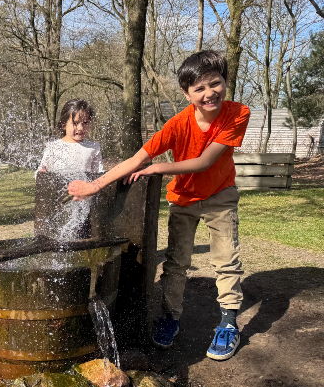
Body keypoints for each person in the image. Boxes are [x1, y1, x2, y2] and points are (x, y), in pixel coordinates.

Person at [67, 50, 250, 361]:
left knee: (225, 260)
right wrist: (94, 186)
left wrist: (155, 168)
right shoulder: (177, 125)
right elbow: (136, 159)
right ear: (186, 92)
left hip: (220, 196)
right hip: (183, 199)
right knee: (177, 262)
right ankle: (170, 317)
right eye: (199, 88)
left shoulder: (237, 113)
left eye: (215, 84)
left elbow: (203, 162)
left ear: (225, 82)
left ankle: (229, 323)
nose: (209, 93)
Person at [37, 99, 104, 176]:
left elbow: (99, 175)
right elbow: (39, 174)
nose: (80, 128)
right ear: (64, 124)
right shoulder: (53, 147)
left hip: (83, 187)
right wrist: (42, 173)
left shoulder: (93, 147)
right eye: (75, 123)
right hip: (59, 187)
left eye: (85, 123)